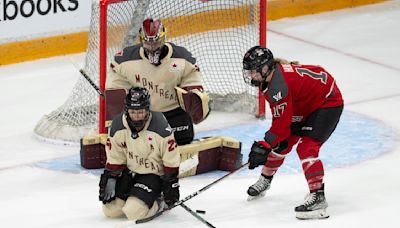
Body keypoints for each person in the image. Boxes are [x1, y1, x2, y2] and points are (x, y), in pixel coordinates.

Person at [242, 46, 344, 219]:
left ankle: (318, 197)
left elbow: (281, 125)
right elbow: (281, 121)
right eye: (249, 71)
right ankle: (265, 181)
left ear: (266, 68)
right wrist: (270, 143)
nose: (251, 75)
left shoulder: (277, 85)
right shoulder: (268, 80)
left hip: (326, 103)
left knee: (306, 148)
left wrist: (265, 144)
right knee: (282, 144)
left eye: (254, 71)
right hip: (304, 104)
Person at [106, 18, 210, 146]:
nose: (152, 47)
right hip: (142, 115)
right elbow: (115, 82)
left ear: (163, 38)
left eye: (156, 42)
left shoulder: (182, 57)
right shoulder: (125, 59)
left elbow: (191, 76)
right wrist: (115, 113)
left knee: (183, 140)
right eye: (148, 43)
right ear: (141, 40)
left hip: (174, 112)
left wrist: (193, 92)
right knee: (138, 146)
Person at [98, 87, 180, 221]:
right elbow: (115, 156)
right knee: (111, 210)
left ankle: (159, 202)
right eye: (133, 112)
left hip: (153, 175)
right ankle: (134, 195)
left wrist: (171, 184)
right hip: (130, 172)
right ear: (126, 110)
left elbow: (171, 159)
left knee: (134, 212)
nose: (136, 116)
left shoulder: (160, 128)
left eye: (140, 112)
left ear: (147, 110)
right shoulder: (117, 126)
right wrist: (111, 178)